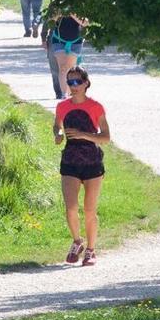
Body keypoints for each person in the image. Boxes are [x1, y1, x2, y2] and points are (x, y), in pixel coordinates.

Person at [53, 66, 110, 265]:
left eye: (77, 82)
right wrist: (58, 135)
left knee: (89, 210)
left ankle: (91, 251)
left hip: (92, 161)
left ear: (86, 83)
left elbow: (106, 137)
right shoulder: (62, 106)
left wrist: (83, 134)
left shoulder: (96, 107)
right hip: (70, 160)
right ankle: (77, 241)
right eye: (70, 82)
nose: (73, 86)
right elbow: (57, 125)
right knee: (70, 208)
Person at [50, 11, 89, 95]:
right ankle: (64, 95)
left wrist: (72, 13)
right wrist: (60, 13)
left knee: (71, 69)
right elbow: (51, 19)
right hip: (59, 40)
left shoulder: (80, 5)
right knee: (63, 68)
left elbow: (85, 23)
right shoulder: (58, 4)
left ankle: (70, 93)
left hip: (75, 41)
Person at [40, 7, 64, 99]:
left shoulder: (75, 3)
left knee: (60, 69)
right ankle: (59, 93)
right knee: (55, 69)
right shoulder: (55, 5)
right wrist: (43, 38)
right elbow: (47, 22)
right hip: (54, 38)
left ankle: (64, 92)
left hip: (67, 39)